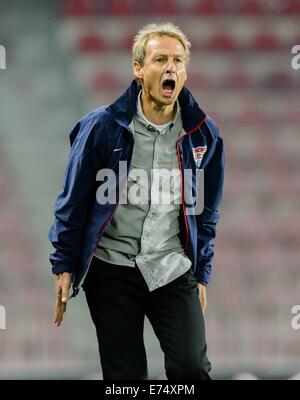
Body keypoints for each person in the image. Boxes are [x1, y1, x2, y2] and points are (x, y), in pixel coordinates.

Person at [49, 22, 225, 380]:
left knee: (191, 367)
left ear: (186, 71)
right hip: (111, 268)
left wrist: (202, 272)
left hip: (172, 268)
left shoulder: (204, 134)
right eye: (160, 59)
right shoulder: (102, 127)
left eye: (178, 60)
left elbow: (206, 212)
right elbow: (73, 200)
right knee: (125, 377)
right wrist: (64, 264)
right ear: (138, 68)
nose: (171, 67)